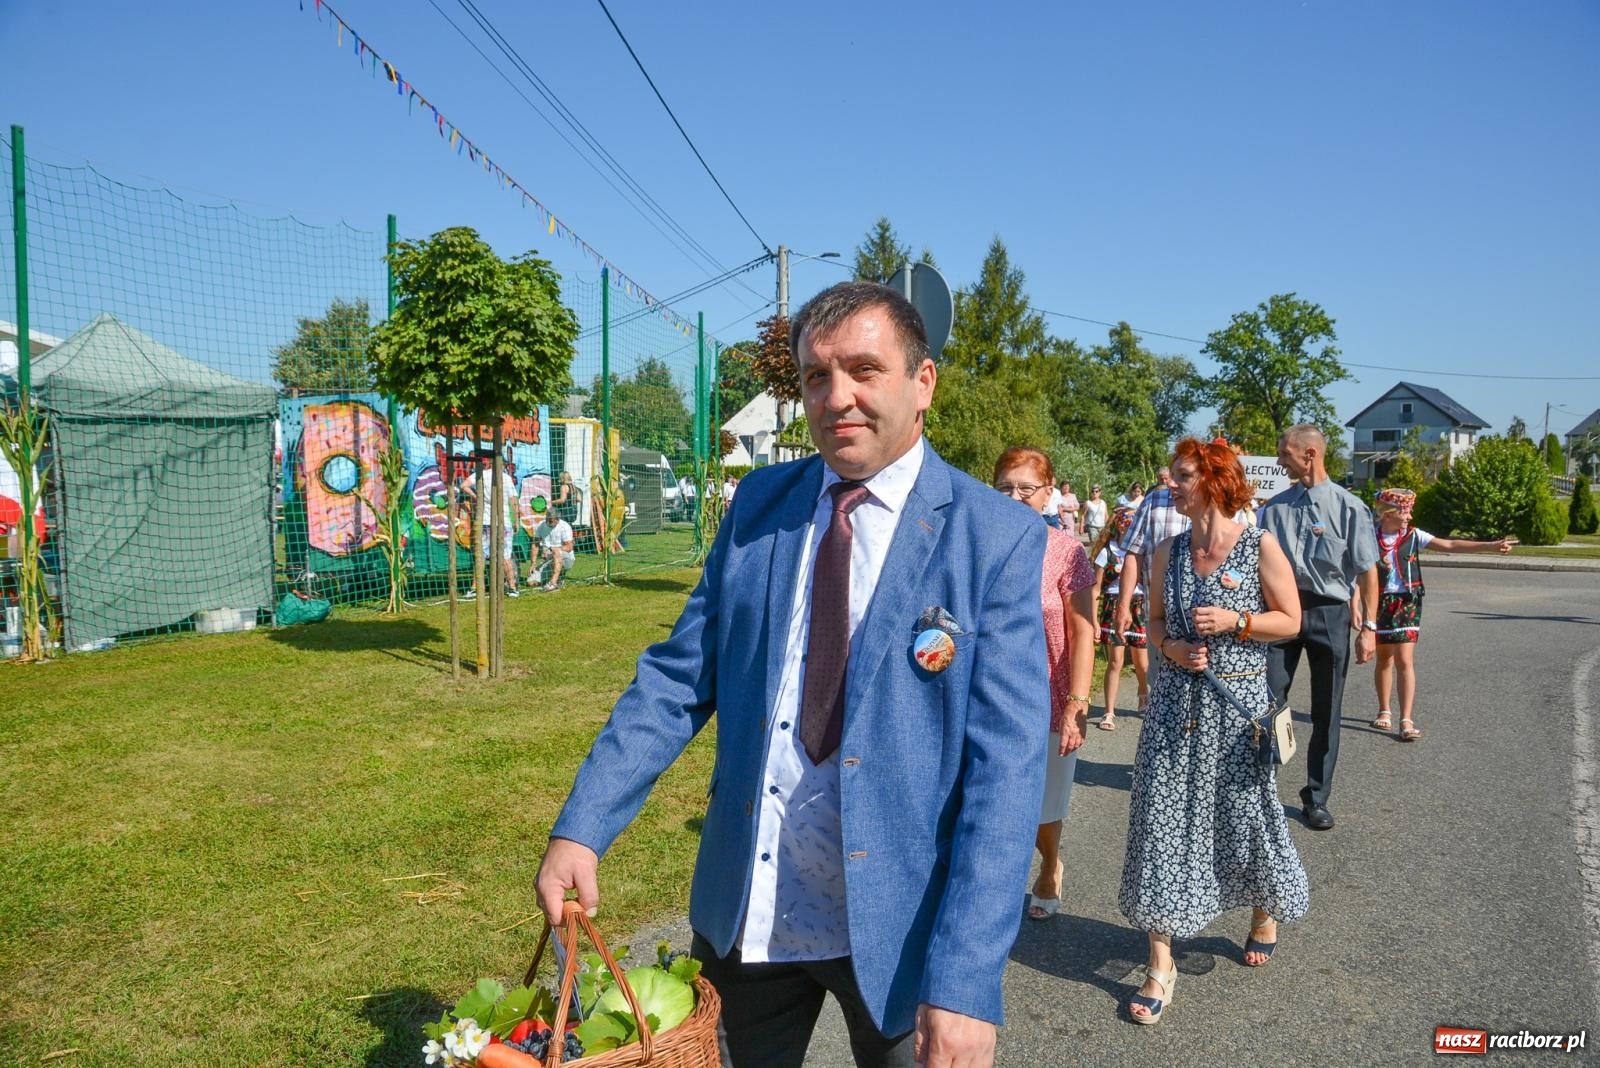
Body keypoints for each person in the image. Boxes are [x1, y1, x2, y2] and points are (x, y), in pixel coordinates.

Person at [535, 281, 1050, 1068]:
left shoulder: (995, 539)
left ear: (923, 383)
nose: (837, 397)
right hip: (754, 913)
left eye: (863, 370)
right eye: (817, 376)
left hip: (901, 931)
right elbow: (677, 680)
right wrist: (584, 823)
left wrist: (966, 980)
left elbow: (1006, 775)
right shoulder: (759, 507)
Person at [1119, 438, 1309, 1025]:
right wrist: (1171, 645)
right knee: (1161, 821)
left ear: (1213, 480)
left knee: (1244, 816)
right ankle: (1160, 964)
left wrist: (1239, 620)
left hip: (1237, 711)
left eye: (1180, 475)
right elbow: (1151, 623)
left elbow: (1291, 620)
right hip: (1175, 710)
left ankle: (1262, 908)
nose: (1168, 481)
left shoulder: (1259, 546)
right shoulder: (1166, 551)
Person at [1257, 424, 1380, 831]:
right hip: (1281, 611)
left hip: (1330, 613)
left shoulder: (1350, 508)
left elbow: (1367, 571)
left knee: (1328, 708)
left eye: (1285, 453)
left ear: (1309, 454)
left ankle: (1316, 797)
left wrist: (1370, 628)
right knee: (1269, 700)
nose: (1279, 461)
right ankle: (1260, 788)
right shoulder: (1273, 509)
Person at [992, 447, 1096, 922]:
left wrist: (1078, 701)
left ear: (1049, 493)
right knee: (992, 795)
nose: (1015, 497)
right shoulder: (979, 543)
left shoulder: (1068, 552)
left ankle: (1051, 864)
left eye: (1026, 489)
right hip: (991, 692)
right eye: (1005, 488)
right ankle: (992, 886)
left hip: (1049, 693)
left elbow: (1083, 629)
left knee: (1044, 804)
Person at [1367, 487, 1514, 741]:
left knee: (1404, 659)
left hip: (1408, 602)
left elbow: (1450, 544)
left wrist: (1489, 545)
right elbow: (1358, 571)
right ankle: (1384, 710)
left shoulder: (1413, 535)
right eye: (1404, 511)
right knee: (1385, 659)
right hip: (1380, 602)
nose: (1408, 516)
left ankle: (1406, 719)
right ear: (1388, 514)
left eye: (1409, 511)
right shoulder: (1371, 537)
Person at [1091, 507, 1148, 732]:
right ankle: (1109, 710)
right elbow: (1095, 590)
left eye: (1131, 523)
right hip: (1113, 606)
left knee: (1142, 663)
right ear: (1117, 525)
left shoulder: (1142, 551)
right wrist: (1094, 622)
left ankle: (1143, 694)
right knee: (1115, 661)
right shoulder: (1107, 552)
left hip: (1139, 606)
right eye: (1124, 523)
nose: (1127, 527)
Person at [463, 458, 522, 598]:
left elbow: (464, 485)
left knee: (481, 556)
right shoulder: (506, 478)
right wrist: (517, 520)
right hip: (503, 522)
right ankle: (512, 587)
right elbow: (514, 501)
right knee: (505, 556)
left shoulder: (481, 474)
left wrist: (476, 496)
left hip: (486, 521)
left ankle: (474, 588)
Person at [529, 507, 576, 591]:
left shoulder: (565, 526)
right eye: (547, 519)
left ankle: (553, 583)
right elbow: (535, 545)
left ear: (557, 520)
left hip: (565, 558)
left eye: (550, 520)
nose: (548, 522)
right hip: (548, 560)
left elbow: (569, 547)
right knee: (531, 582)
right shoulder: (541, 525)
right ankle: (556, 577)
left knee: (556, 552)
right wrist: (533, 563)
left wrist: (552, 550)